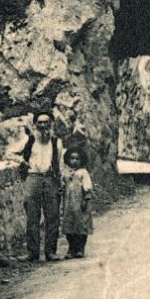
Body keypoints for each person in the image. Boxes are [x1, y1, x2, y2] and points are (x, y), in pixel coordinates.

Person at [19, 109, 63, 262]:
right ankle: (32, 253)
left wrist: (60, 181)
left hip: (50, 179)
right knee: (32, 216)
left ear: (51, 124)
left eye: (46, 122)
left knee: (53, 216)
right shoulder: (30, 140)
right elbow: (10, 153)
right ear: (35, 124)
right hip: (33, 178)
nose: (43, 125)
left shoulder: (56, 142)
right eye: (40, 122)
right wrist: (22, 162)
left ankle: (50, 252)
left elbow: (60, 163)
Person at [61, 146, 93, 258]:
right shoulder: (65, 173)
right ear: (68, 160)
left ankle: (80, 248)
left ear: (81, 160)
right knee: (69, 226)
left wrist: (86, 199)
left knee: (81, 225)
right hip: (69, 204)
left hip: (80, 203)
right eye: (72, 158)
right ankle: (71, 248)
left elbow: (87, 187)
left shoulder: (83, 172)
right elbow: (63, 186)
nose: (74, 161)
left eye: (77, 159)